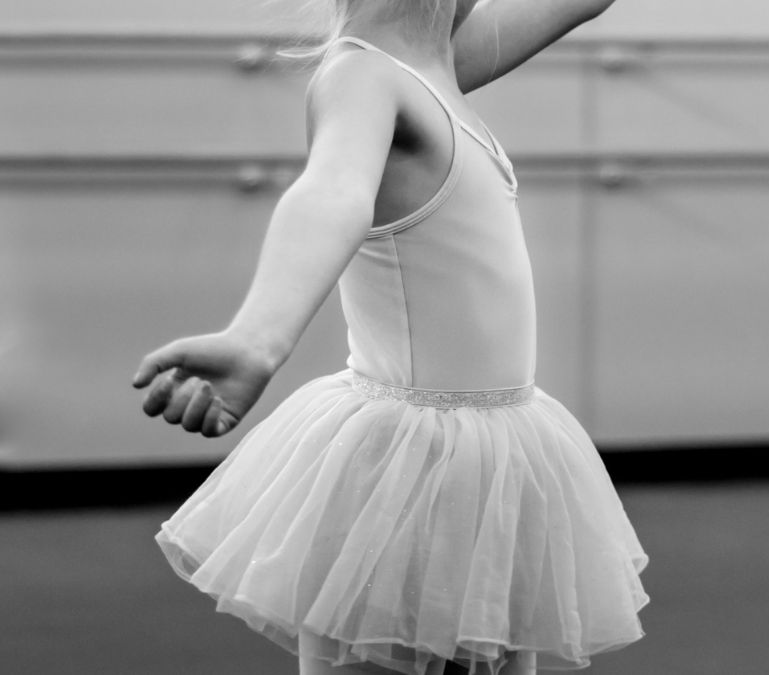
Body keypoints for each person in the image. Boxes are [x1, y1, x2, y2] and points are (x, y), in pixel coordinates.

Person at [131, 1, 649, 673]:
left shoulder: (438, 65)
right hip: (406, 468)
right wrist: (260, 335)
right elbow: (333, 194)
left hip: (491, 457)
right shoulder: (364, 76)